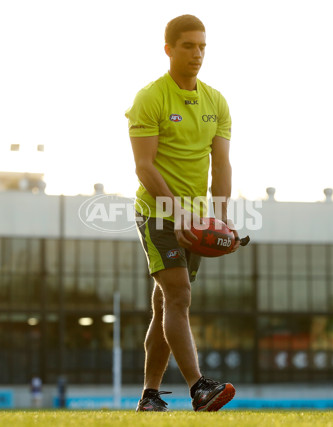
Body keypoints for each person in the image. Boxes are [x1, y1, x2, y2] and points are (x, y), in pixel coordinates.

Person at [125, 14, 240, 412]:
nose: (197, 53)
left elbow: (221, 165)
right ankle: (199, 388)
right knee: (179, 295)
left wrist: (219, 218)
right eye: (188, 46)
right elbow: (145, 166)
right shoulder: (151, 97)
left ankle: (150, 396)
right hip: (157, 213)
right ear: (169, 49)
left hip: (195, 219)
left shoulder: (216, 102)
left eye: (202, 46)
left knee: (164, 306)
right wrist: (180, 214)